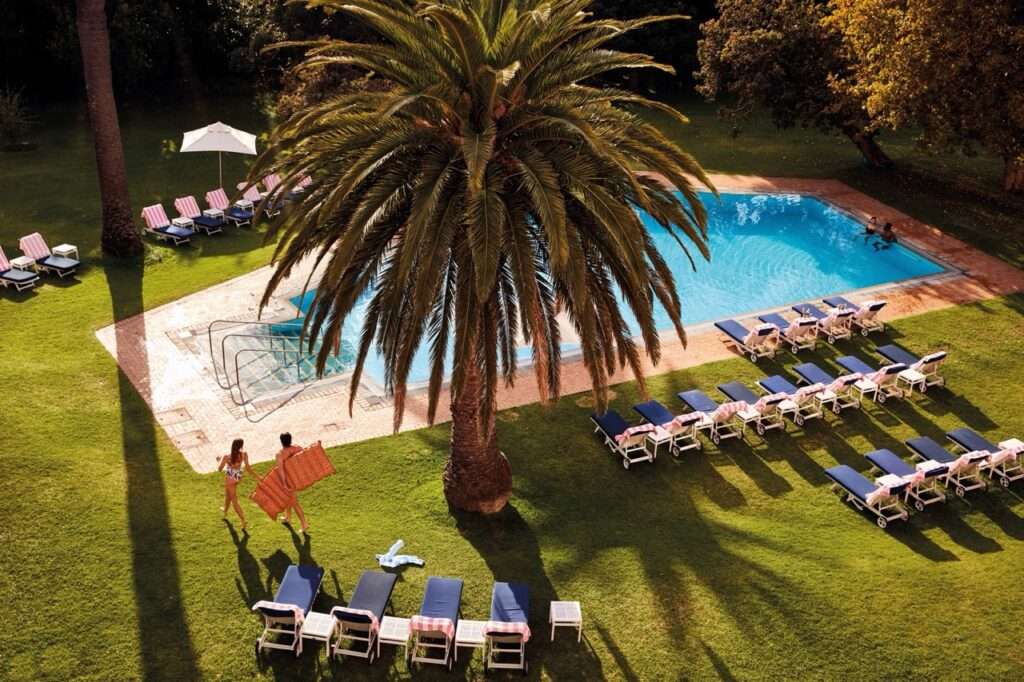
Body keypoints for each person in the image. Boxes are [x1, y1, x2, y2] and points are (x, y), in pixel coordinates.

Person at [276, 432, 310, 533]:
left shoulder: (280, 454)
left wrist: (284, 483)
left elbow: (281, 470)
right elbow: (306, 456)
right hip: (298, 478)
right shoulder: (298, 448)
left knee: (294, 502)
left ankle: (304, 524)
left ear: (281, 442)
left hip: (289, 480)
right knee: (289, 499)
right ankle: (287, 517)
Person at [218, 438, 255, 530]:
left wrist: (220, 460)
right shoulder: (243, 454)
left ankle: (243, 520)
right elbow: (248, 467)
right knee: (228, 496)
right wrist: (257, 477)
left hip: (230, 479)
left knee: (234, 502)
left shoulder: (227, 457)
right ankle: (225, 511)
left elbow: (219, 469)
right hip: (237, 477)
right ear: (240, 446)